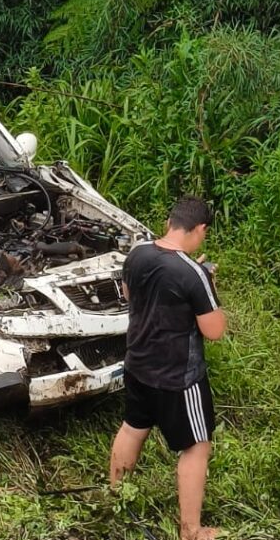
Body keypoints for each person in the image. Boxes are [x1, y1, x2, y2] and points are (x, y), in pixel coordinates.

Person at [109, 195, 227, 540]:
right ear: (200, 229)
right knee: (197, 446)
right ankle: (191, 530)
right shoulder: (193, 273)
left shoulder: (137, 254)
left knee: (133, 426)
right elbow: (215, 331)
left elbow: (131, 296)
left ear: (169, 222)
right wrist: (209, 286)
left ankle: (117, 498)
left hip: (137, 363)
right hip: (179, 377)